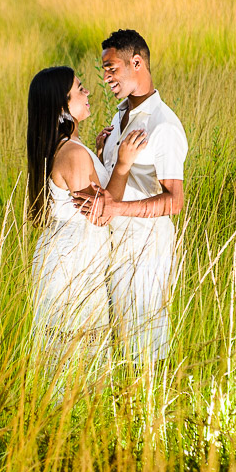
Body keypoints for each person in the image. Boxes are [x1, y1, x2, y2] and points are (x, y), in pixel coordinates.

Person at [25, 65, 149, 382]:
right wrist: (122, 163)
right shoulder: (72, 155)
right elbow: (100, 214)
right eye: (80, 89)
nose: (88, 92)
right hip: (72, 274)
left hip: (67, 265)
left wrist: (96, 154)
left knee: (70, 371)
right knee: (79, 375)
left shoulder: (67, 149)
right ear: (62, 106)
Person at [73, 29, 188, 368]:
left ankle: (155, 411)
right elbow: (121, 173)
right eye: (104, 70)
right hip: (112, 243)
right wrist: (101, 152)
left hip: (144, 247)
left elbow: (174, 200)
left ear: (136, 63)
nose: (105, 78)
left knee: (145, 340)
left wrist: (116, 208)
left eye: (112, 69)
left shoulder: (162, 125)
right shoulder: (118, 116)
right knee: (117, 339)